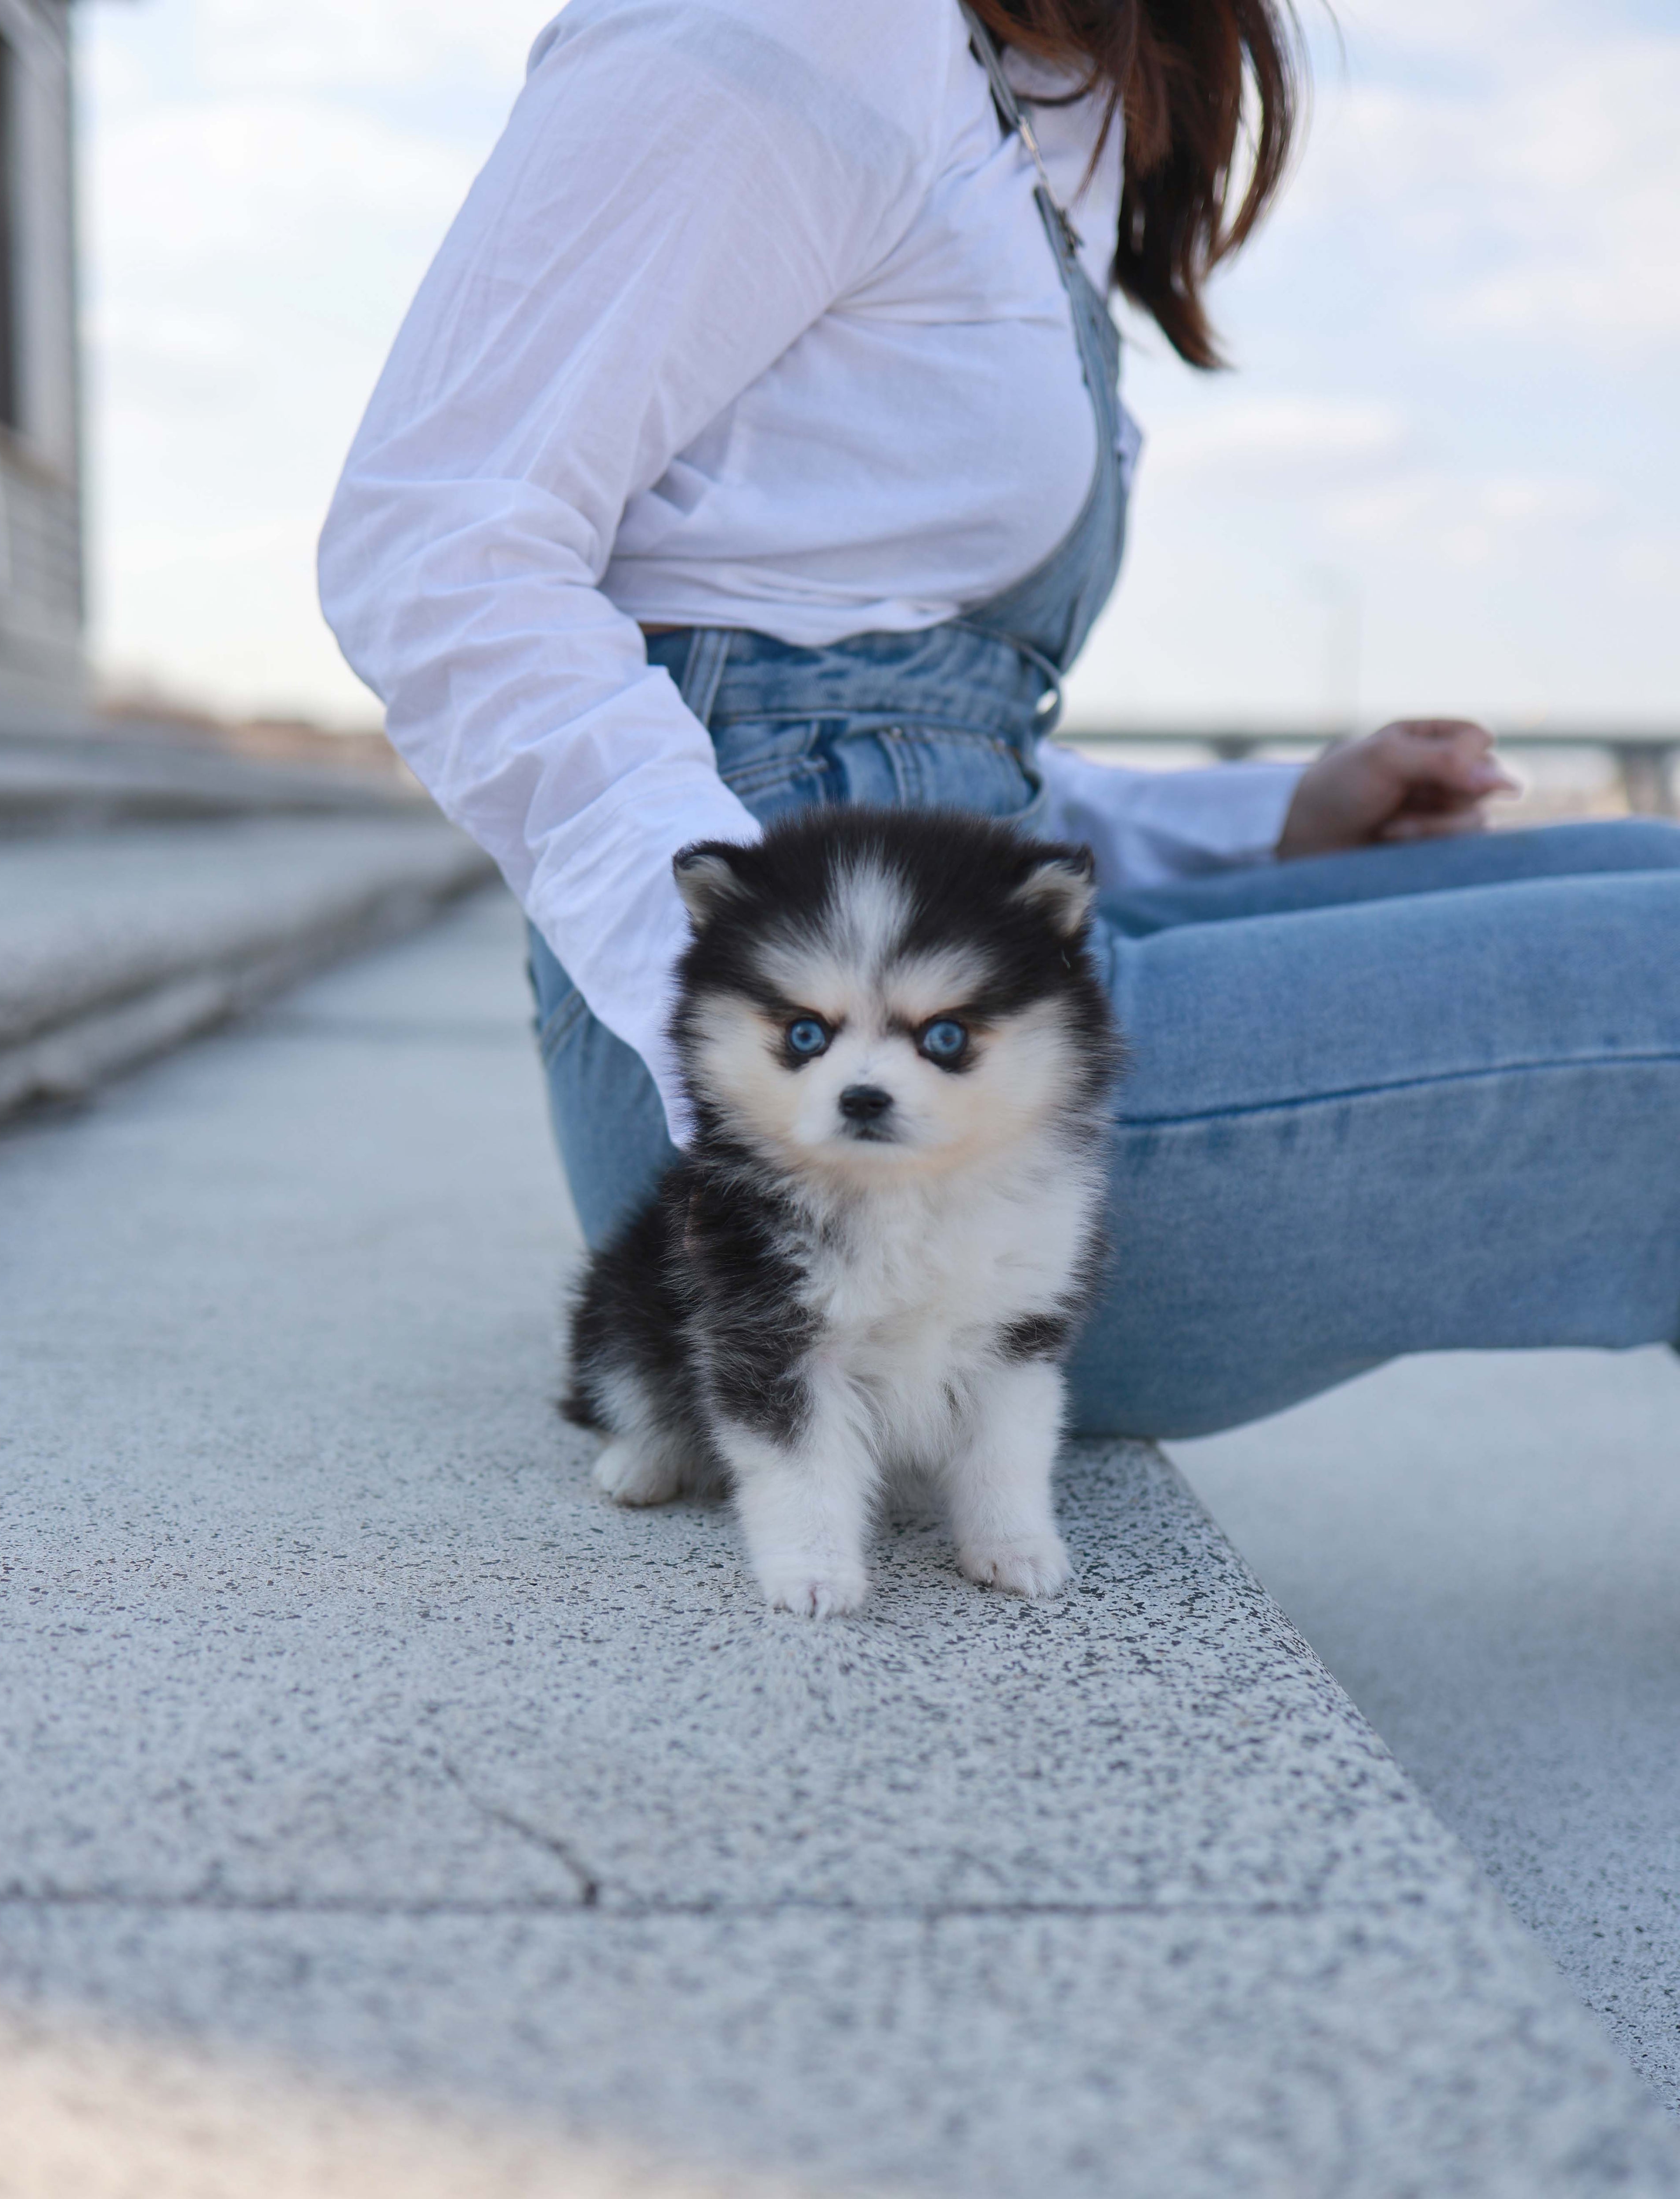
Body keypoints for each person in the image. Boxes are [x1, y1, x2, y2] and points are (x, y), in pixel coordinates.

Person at [319, 0, 1680, 1438]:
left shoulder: (1022, 99)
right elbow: (436, 539)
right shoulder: (796, 28)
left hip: (927, 986)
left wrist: (1262, 826)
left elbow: (903, 747)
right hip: (809, 1113)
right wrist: (752, 1017)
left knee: (1648, 883)